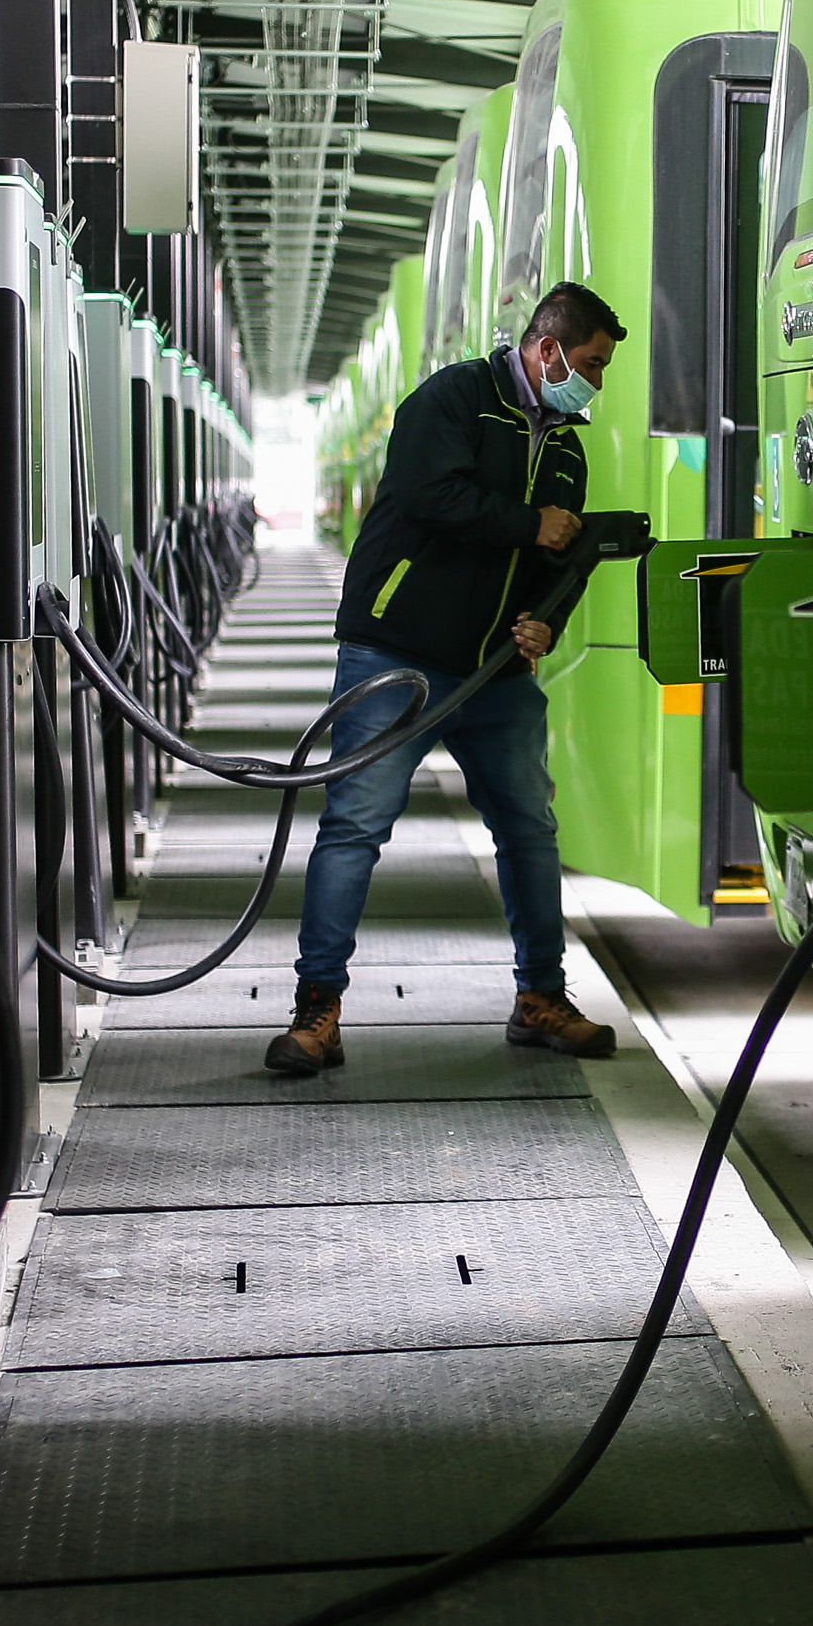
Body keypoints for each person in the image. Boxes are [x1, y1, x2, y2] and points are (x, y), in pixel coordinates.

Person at [268, 282, 624, 1074]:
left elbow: (563, 560)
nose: (595, 383)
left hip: (493, 668)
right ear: (547, 349)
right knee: (355, 826)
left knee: (529, 829)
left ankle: (540, 997)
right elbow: (430, 496)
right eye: (591, 364)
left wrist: (545, 620)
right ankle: (316, 1010)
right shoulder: (455, 397)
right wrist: (528, 522)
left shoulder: (564, 443)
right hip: (397, 651)